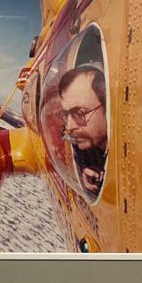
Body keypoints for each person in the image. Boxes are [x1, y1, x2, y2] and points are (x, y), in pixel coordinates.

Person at [58, 64, 108, 198]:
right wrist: (88, 168)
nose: (69, 127)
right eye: (66, 115)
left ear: (108, 106)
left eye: (79, 113)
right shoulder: (88, 149)